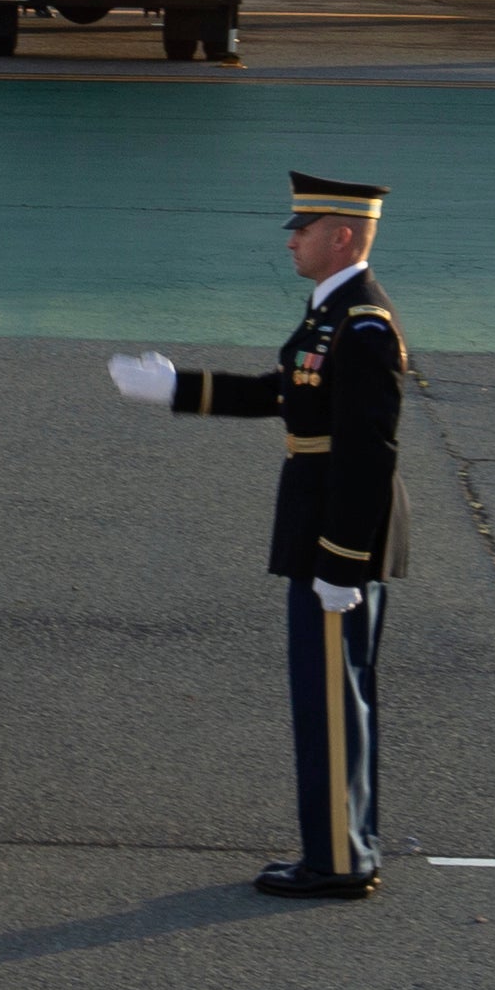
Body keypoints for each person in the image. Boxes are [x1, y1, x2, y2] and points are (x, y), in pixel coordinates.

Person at [109, 172, 409, 900]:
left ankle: (338, 861)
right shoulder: (330, 316)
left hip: (337, 535)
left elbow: (369, 452)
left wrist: (340, 560)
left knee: (331, 700)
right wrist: (177, 388)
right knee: (330, 695)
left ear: (341, 236)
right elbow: (279, 392)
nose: (290, 238)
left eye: (301, 229)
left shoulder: (362, 325)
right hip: (318, 522)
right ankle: (340, 847)